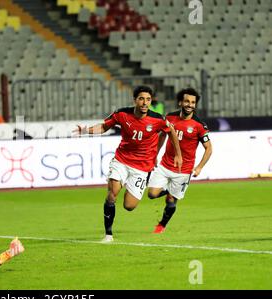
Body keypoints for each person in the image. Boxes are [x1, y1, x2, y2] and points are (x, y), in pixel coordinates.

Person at [74, 85, 183, 242]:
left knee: (129, 206)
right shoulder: (122, 114)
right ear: (135, 100)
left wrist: (178, 154)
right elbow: (104, 126)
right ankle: (108, 235)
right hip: (122, 160)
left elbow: (171, 132)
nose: (145, 103)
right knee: (112, 194)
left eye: (148, 99)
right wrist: (86, 130)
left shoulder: (158, 119)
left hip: (142, 168)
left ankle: (138, 187)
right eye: (141, 99)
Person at [147, 88, 212, 233]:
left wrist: (200, 167)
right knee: (152, 194)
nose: (190, 104)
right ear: (180, 102)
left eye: (193, 102)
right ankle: (169, 190)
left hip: (184, 170)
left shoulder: (199, 125)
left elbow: (209, 148)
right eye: (187, 101)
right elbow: (162, 136)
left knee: (171, 201)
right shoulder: (170, 118)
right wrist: (155, 155)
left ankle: (162, 225)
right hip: (165, 164)